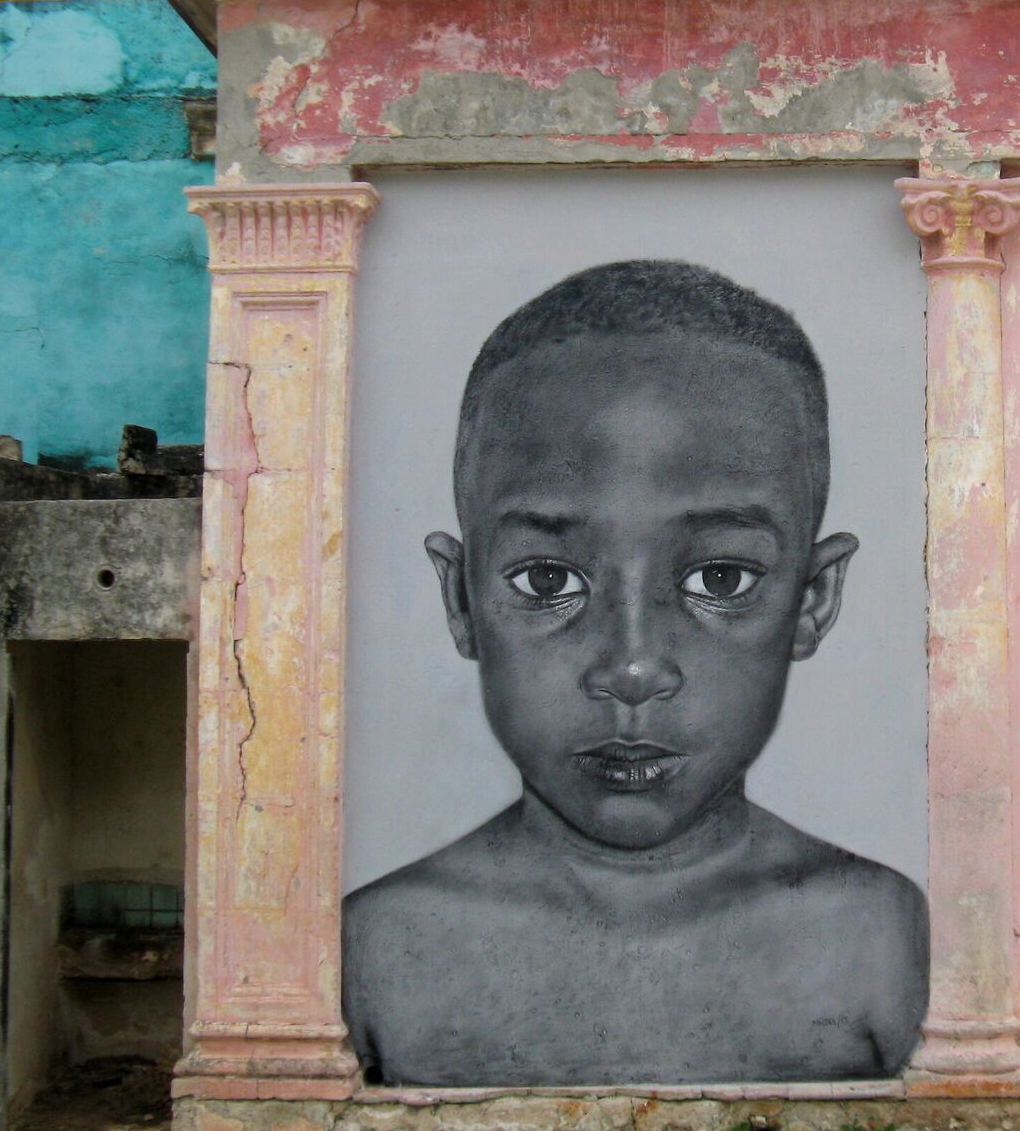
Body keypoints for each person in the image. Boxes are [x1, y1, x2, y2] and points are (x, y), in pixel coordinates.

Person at [343, 259, 929, 1087]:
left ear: (813, 598)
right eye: (547, 581)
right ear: (462, 599)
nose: (630, 669)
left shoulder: (882, 933)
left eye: (719, 580)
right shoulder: (376, 947)